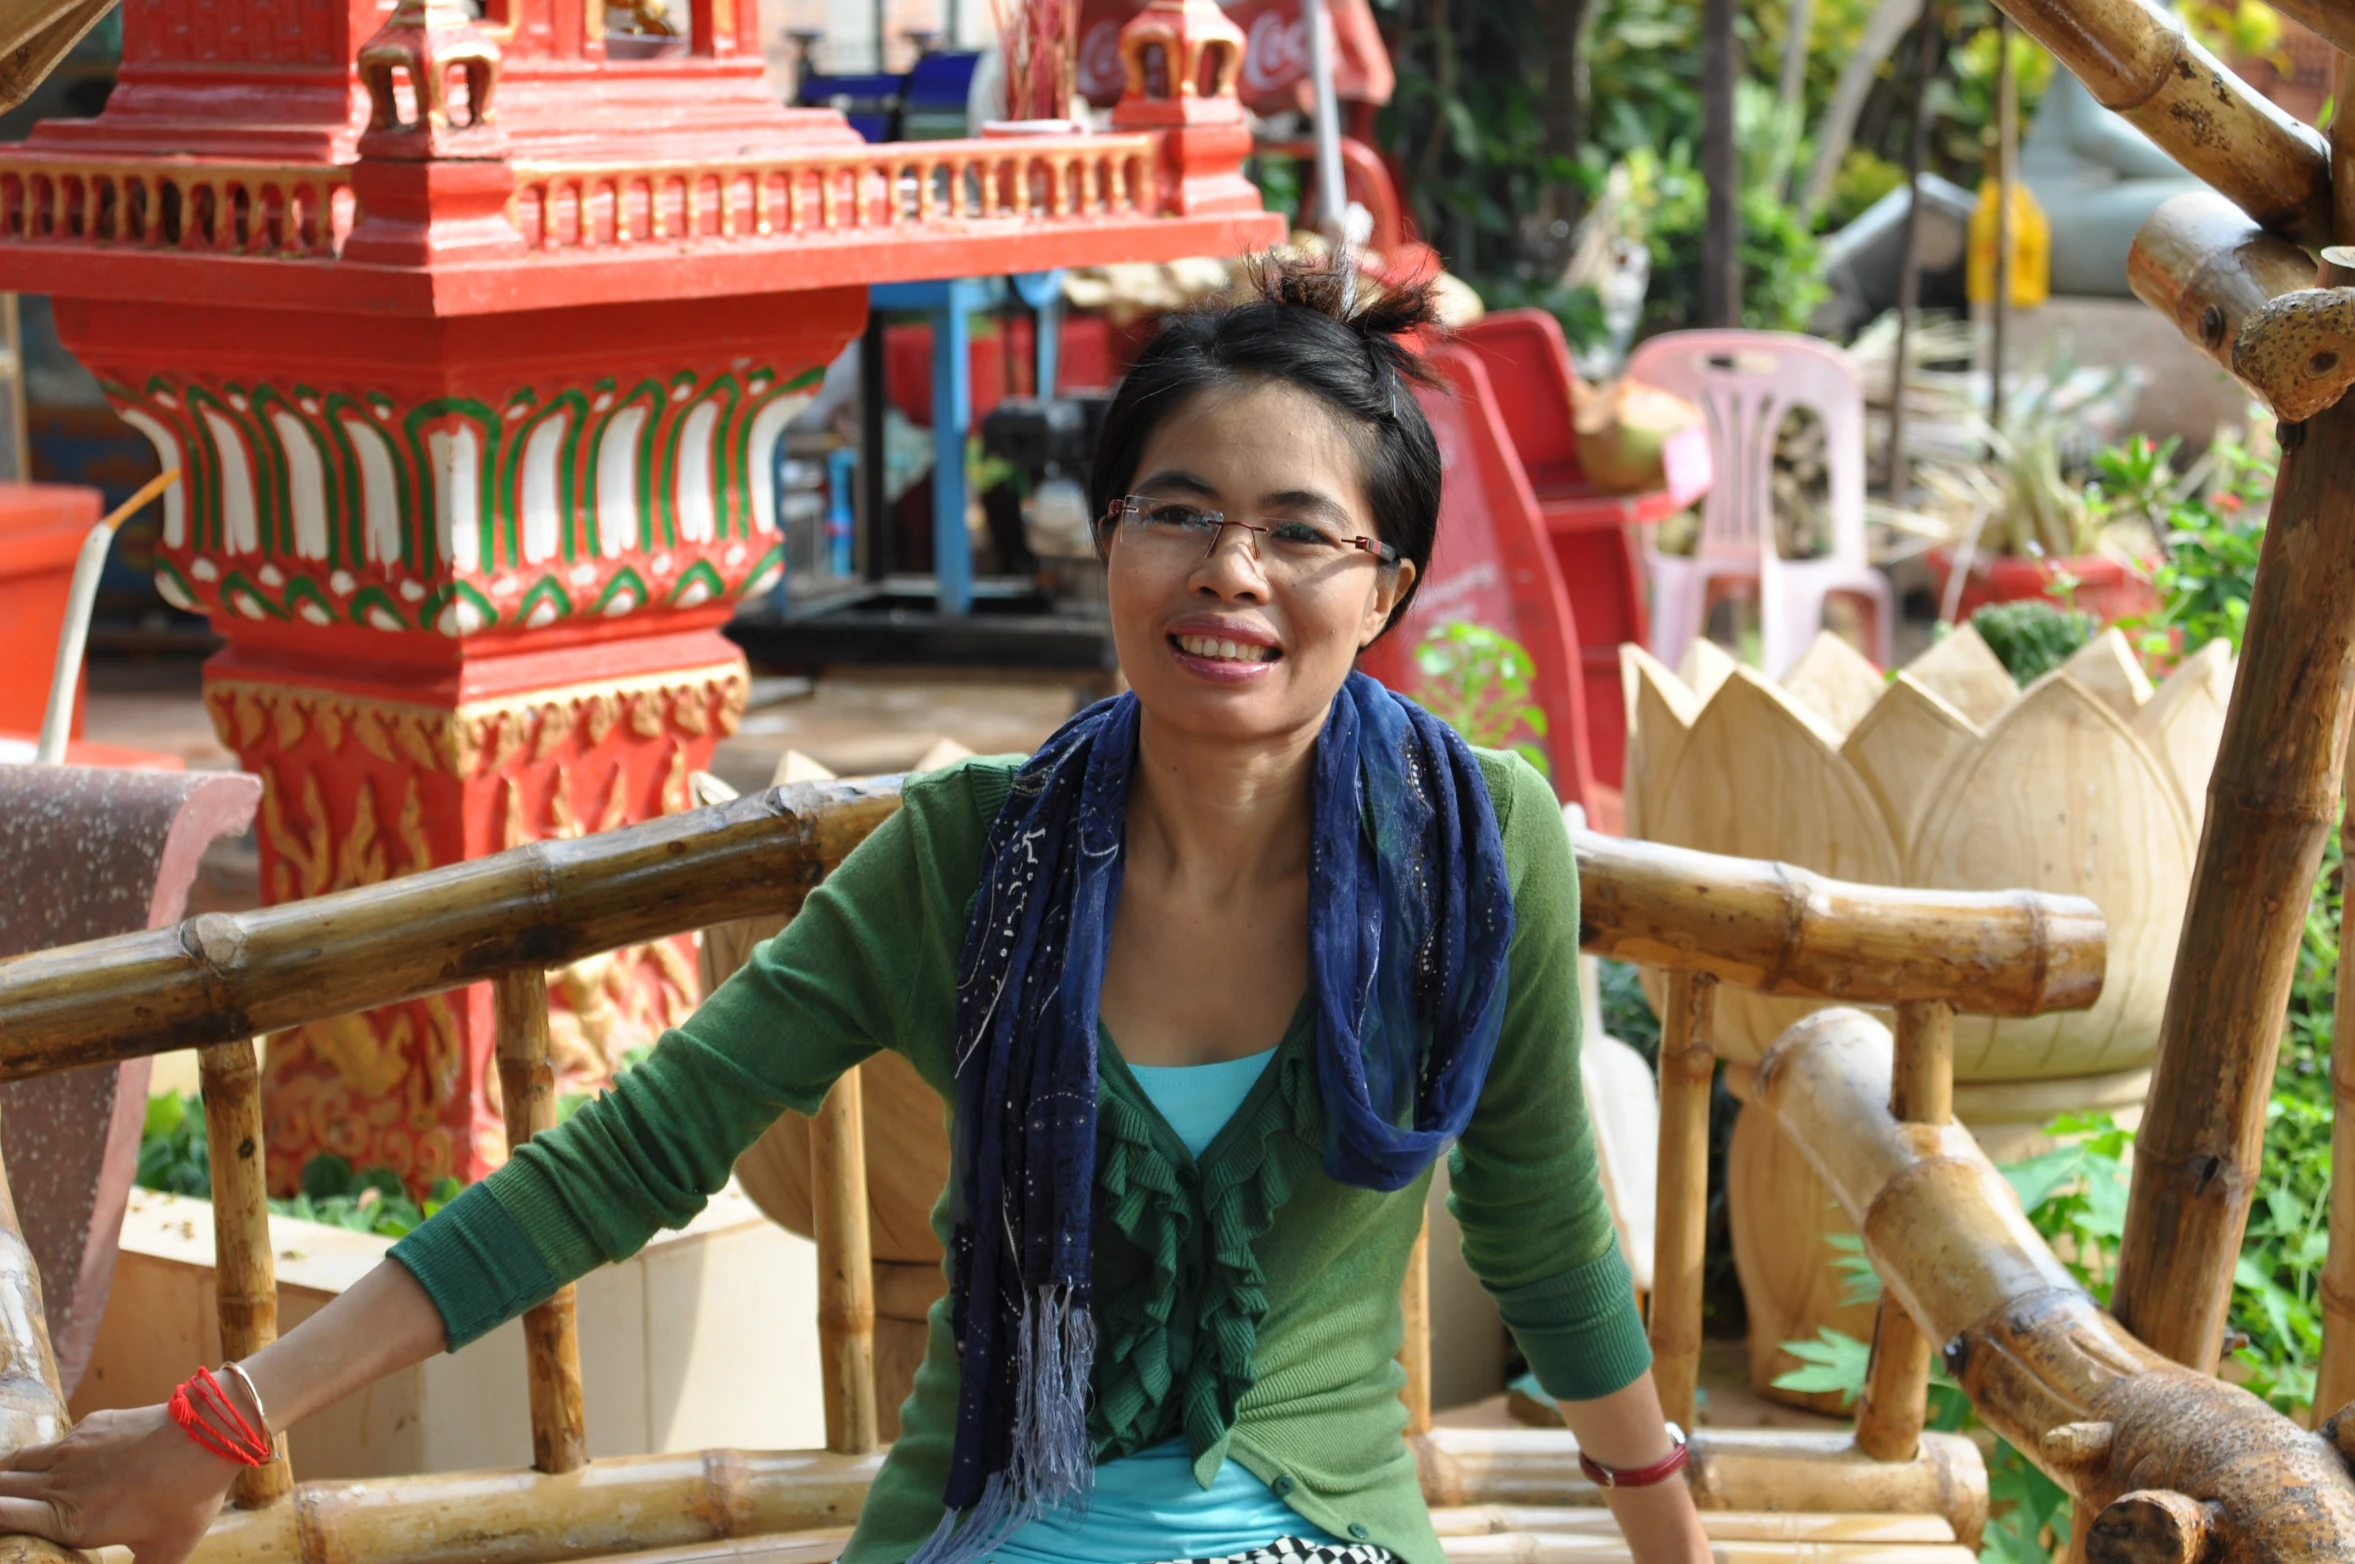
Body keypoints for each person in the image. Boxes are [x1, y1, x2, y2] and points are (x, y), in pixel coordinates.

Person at [0, 253, 1711, 1564]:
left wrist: (1666, 1535)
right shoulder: (969, 857)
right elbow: (630, 1152)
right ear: (1104, 542)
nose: (1229, 574)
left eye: (1296, 533)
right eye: (1175, 514)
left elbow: (1547, 1237)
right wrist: (226, 1419)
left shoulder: (1472, 845)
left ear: (1386, 585)